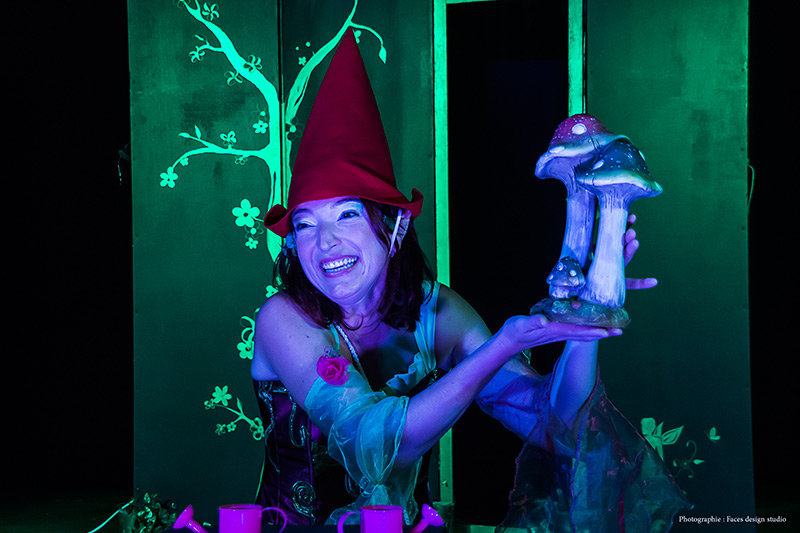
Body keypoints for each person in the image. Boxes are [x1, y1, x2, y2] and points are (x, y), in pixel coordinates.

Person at [251, 30, 689, 531]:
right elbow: (377, 446)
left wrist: (582, 325)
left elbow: (553, 423)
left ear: (394, 228)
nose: (324, 242)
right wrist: (503, 345)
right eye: (305, 224)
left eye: (347, 215)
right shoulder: (283, 318)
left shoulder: (435, 313)